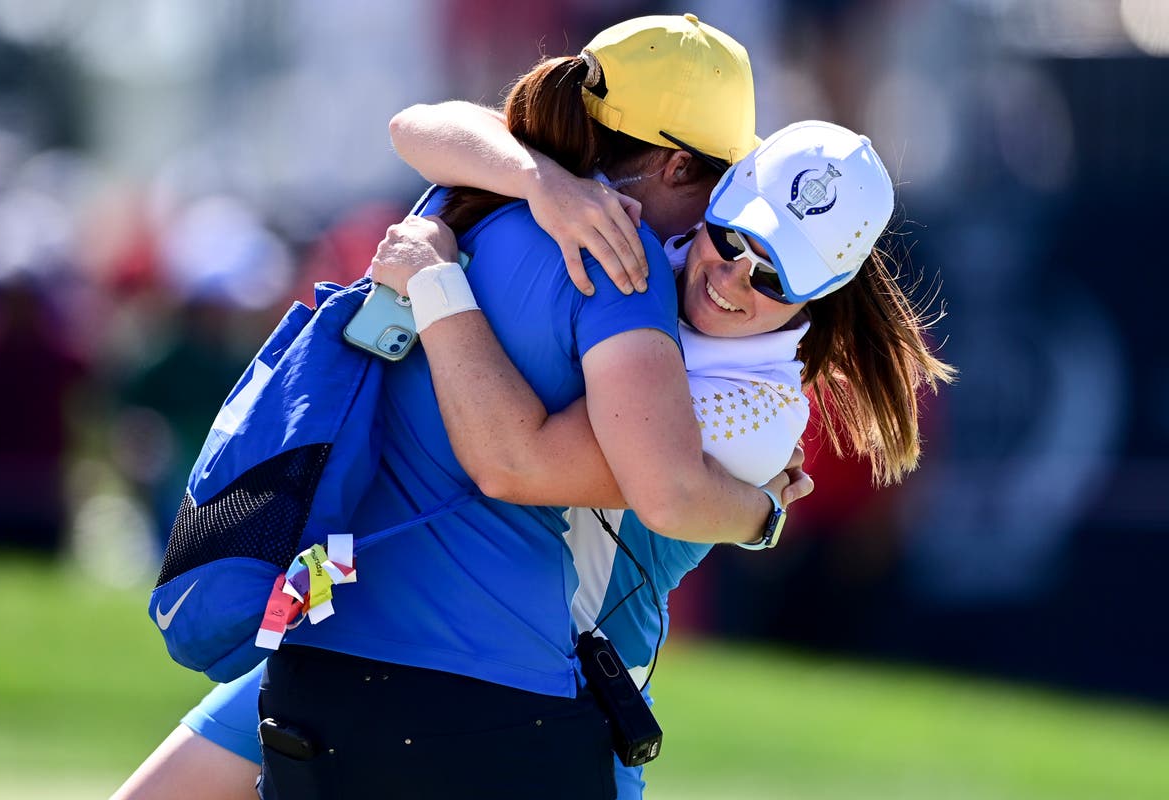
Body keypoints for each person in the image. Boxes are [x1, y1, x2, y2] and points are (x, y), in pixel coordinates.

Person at [113, 112, 953, 799]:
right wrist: (542, 180)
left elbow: (515, 463)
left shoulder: (758, 411)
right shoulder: (652, 250)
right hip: (386, 614)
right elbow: (420, 128)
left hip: (558, 694)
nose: (732, 278)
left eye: (772, 278)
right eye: (731, 240)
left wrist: (441, 283)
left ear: (822, 296)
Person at [198, 14, 774, 800]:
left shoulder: (464, 193)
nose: (716, 226)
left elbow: (415, 124)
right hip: (494, 690)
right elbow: (597, 478)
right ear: (676, 164)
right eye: (718, 186)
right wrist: (762, 512)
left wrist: (541, 182)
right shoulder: (622, 270)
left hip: (320, 658)